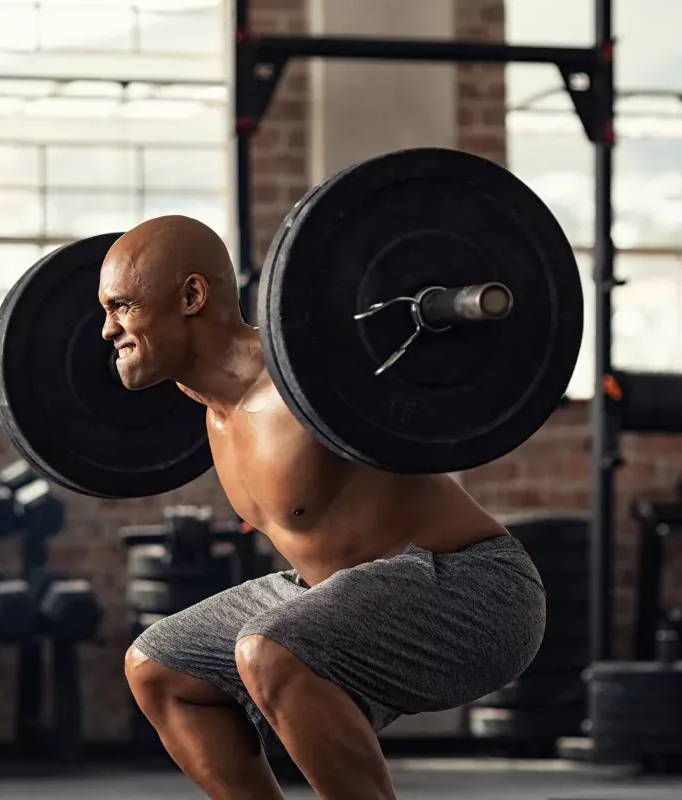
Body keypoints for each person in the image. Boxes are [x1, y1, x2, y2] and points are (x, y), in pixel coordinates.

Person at [103, 215, 547, 800]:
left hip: (475, 591)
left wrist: (444, 313)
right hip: (334, 591)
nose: (108, 331)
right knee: (158, 667)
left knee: (269, 649)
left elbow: (398, 364)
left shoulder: (309, 376)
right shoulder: (214, 413)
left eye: (122, 307)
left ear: (191, 295)